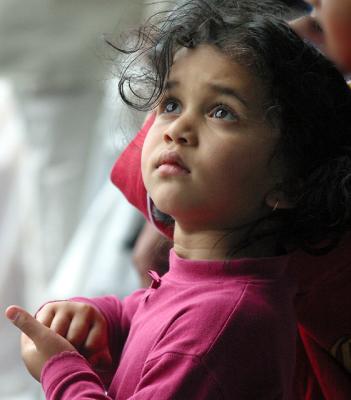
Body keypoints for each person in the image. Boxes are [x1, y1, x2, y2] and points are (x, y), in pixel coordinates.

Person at [5, 1, 351, 398]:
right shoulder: (204, 283)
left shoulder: (221, 322)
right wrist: (103, 318)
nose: (178, 129)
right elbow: (150, 310)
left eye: (222, 112)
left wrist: (60, 370)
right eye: (171, 105)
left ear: (290, 181)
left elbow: (184, 329)